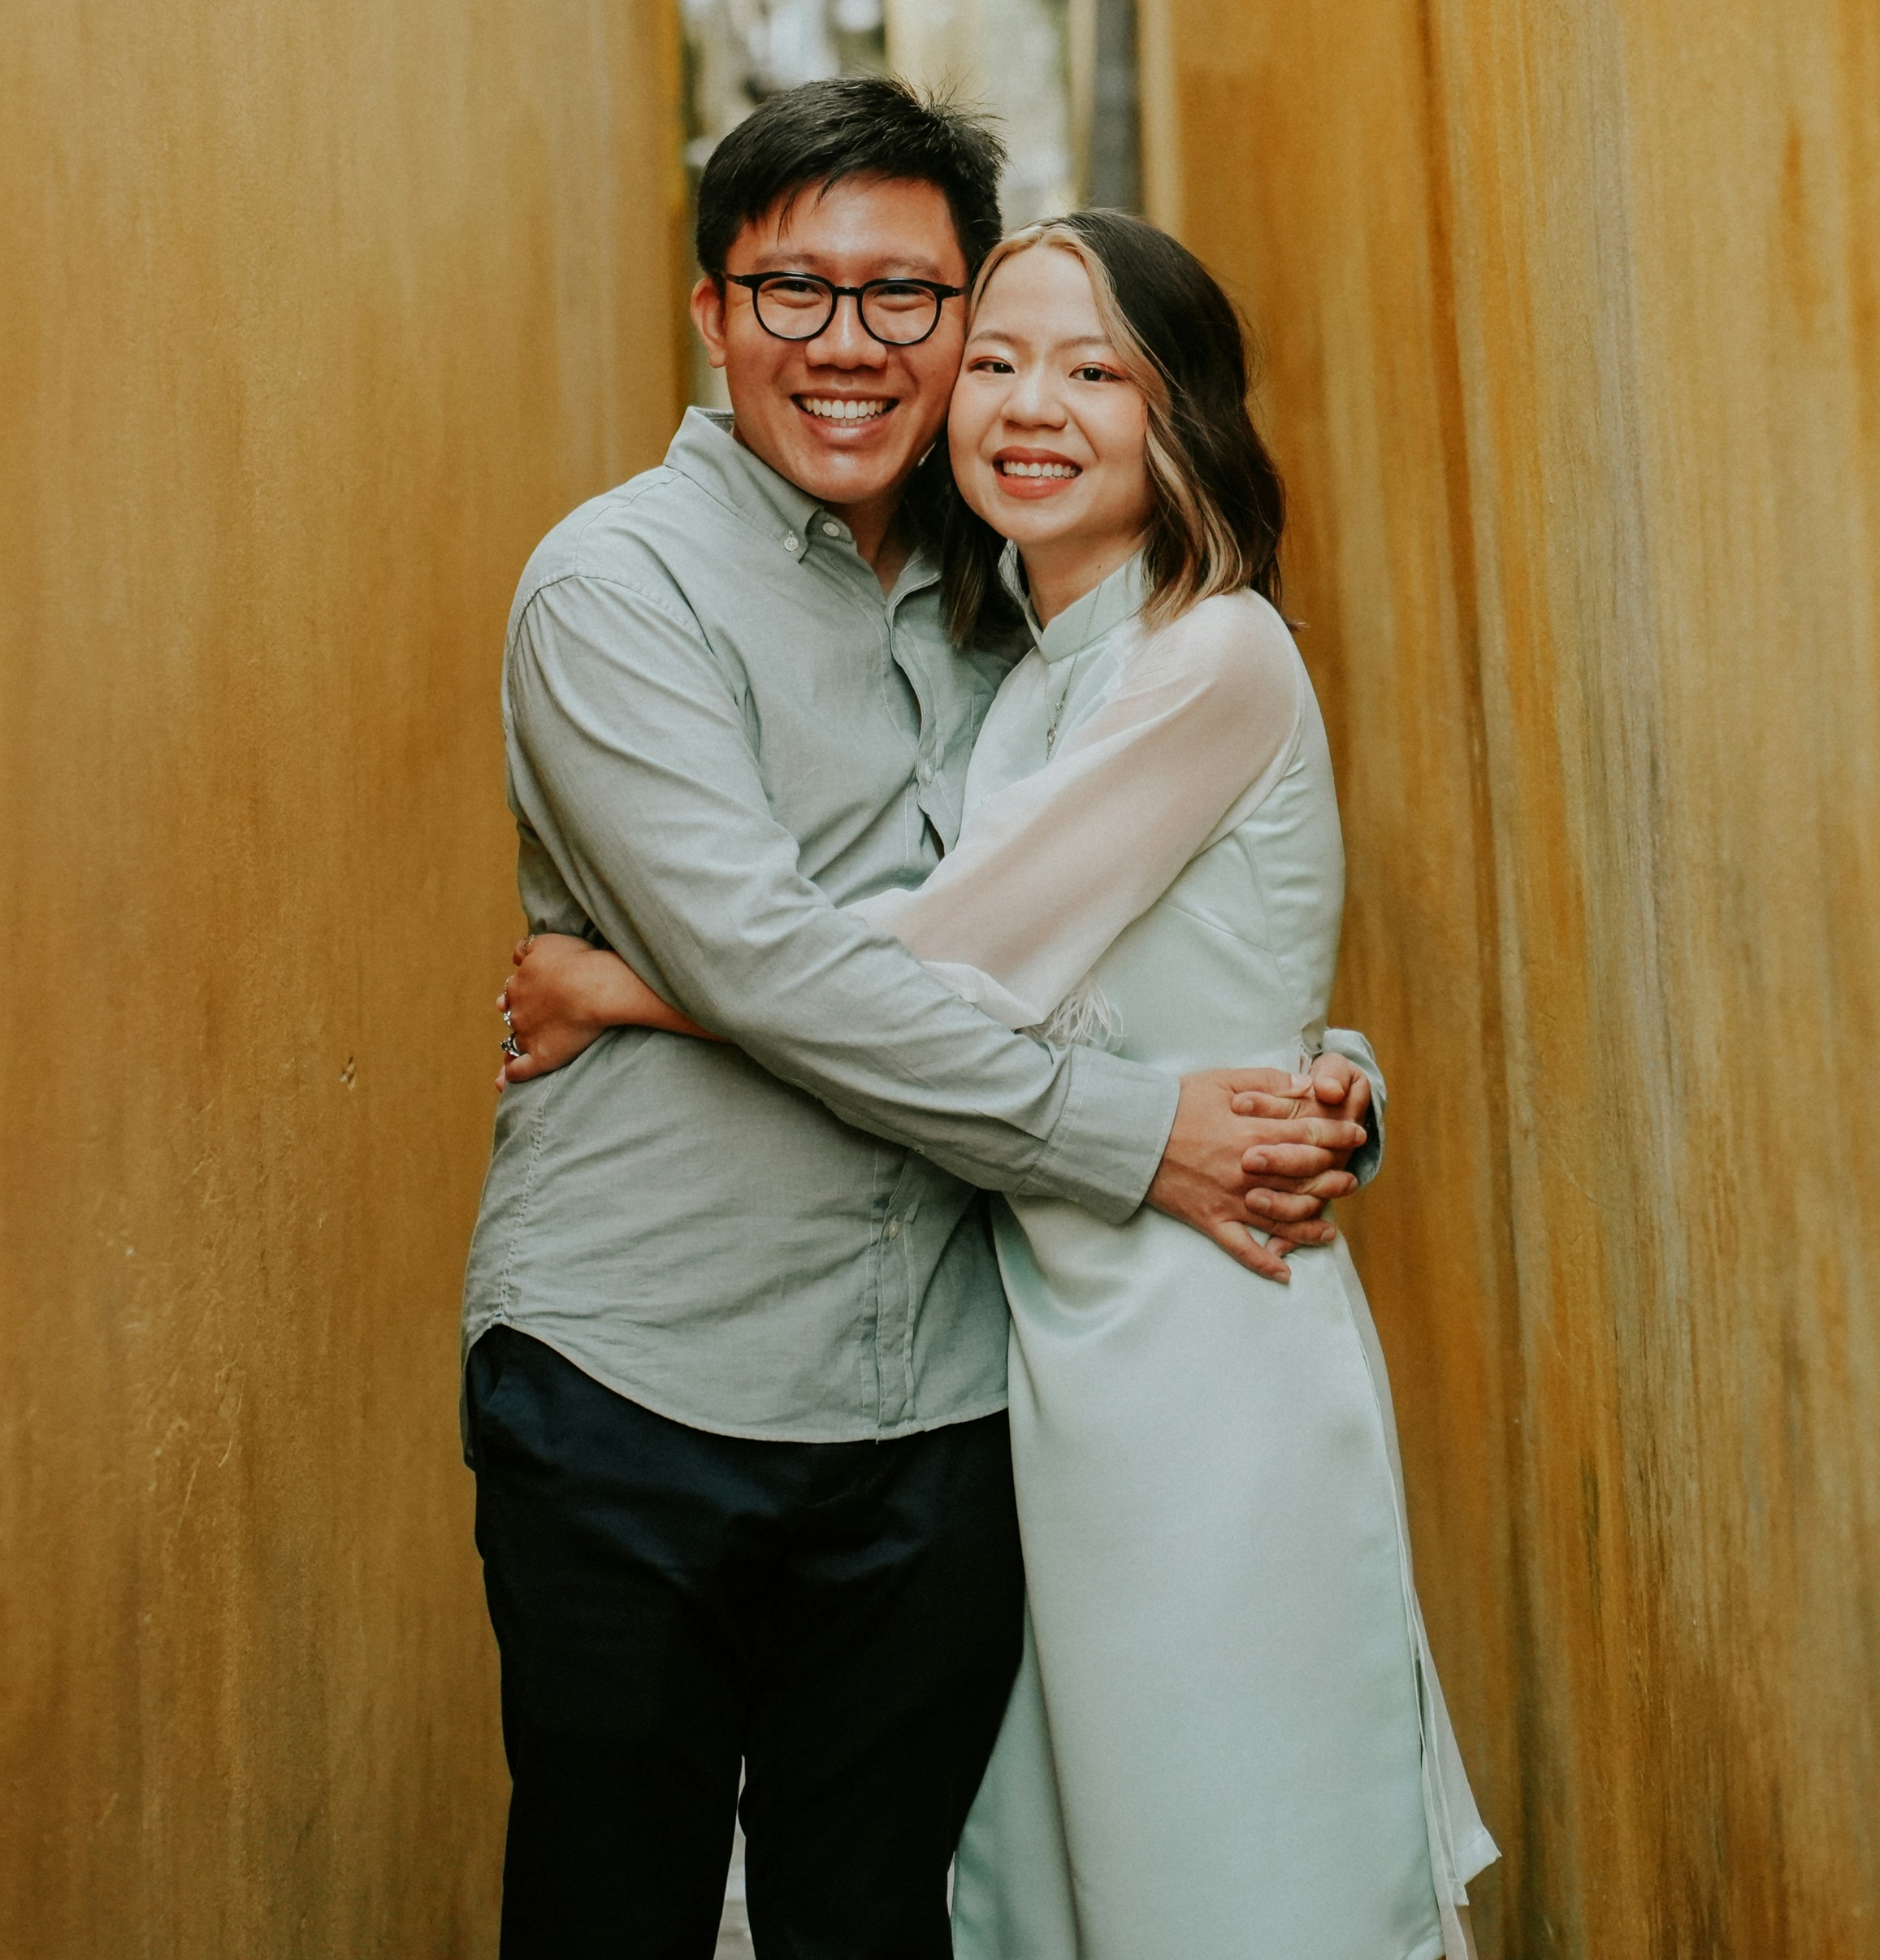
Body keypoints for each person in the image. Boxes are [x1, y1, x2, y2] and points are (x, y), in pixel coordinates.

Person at [503, 209, 1499, 1960]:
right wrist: (1318, 1062)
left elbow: (943, 959)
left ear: (1181, 417)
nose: (1035, 406)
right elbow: (1083, 974)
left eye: (1097, 371)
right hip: (1043, 1347)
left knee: (1234, 1860)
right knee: (1063, 1884)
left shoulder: (1208, 655)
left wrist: (621, 982)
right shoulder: (1027, 661)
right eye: (1006, 363)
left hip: (1199, 1335)